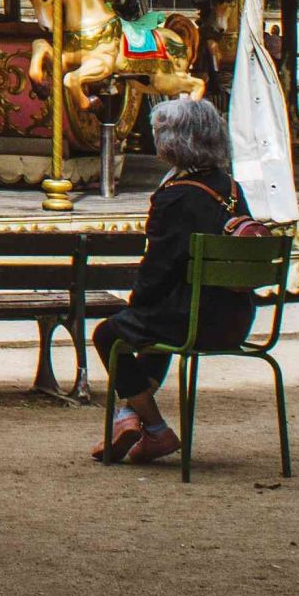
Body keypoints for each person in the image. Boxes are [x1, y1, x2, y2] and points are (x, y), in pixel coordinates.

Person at [93, 97, 256, 466]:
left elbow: (158, 269)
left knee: (110, 333)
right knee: (150, 333)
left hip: (192, 320)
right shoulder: (230, 188)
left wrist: (136, 302)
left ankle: (154, 426)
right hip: (235, 317)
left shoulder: (175, 197)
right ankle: (128, 416)